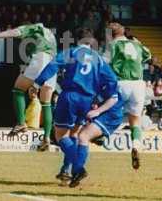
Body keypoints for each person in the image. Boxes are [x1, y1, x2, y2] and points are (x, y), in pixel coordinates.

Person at [35, 28, 118, 188]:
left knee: (61, 136)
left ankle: (78, 168)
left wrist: (38, 82)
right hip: (87, 100)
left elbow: (53, 65)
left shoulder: (72, 52)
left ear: (78, 41)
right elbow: (112, 79)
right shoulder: (99, 59)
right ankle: (66, 171)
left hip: (70, 96)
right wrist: (100, 97)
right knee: (74, 134)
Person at [0, 23, 57, 151]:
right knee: (46, 103)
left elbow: (15, 32)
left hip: (41, 58)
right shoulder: (50, 35)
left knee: (18, 89)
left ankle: (21, 123)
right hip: (52, 64)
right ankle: (46, 137)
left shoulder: (34, 28)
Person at [105, 22, 151, 170]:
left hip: (121, 83)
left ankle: (98, 136)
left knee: (106, 111)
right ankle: (136, 145)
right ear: (124, 32)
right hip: (138, 84)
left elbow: (104, 64)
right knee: (135, 119)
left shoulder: (112, 45)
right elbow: (148, 55)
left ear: (110, 35)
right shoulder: (136, 44)